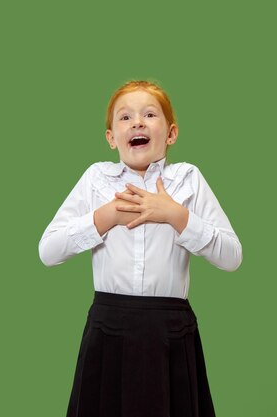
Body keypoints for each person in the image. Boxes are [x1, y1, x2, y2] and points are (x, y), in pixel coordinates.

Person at [38, 80, 242, 417]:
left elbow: (232, 257)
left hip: (170, 331)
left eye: (150, 114)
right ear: (110, 137)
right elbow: (48, 251)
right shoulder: (95, 179)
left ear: (171, 133)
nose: (138, 123)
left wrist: (176, 216)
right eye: (125, 117)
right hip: (108, 328)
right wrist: (107, 216)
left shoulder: (188, 179)